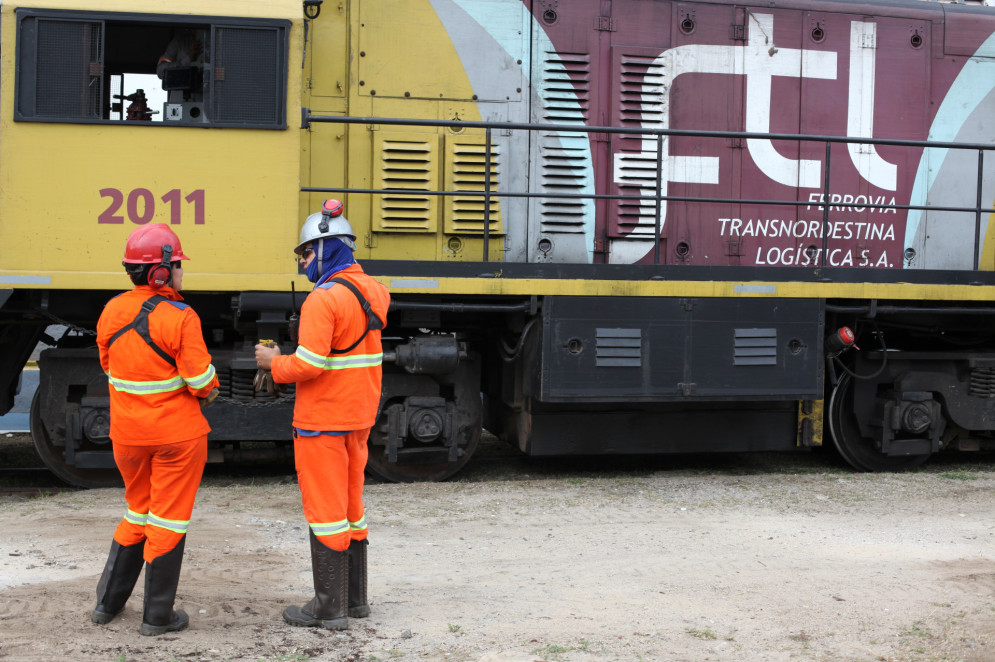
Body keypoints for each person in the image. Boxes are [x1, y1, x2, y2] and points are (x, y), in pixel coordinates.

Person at [254, 199, 390, 630]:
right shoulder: (374, 290)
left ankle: (328, 607)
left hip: (323, 421)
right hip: (359, 416)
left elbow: (310, 365)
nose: (304, 262)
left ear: (328, 248)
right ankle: (357, 600)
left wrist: (272, 363)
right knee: (352, 506)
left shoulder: (322, 299)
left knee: (326, 509)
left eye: (307, 252)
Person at [91, 224, 219, 636]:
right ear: (161, 272)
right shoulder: (181, 316)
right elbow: (202, 383)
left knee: (136, 510)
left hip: (127, 437)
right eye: (177, 264)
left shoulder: (111, 310)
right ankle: (157, 617)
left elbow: (109, 366)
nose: (181, 271)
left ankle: (106, 605)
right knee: (168, 521)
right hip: (177, 440)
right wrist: (209, 388)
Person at [156, 28, 205, 103]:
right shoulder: (179, 41)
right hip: (179, 105)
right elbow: (161, 71)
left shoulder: (217, 40)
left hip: (206, 104)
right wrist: (188, 59)